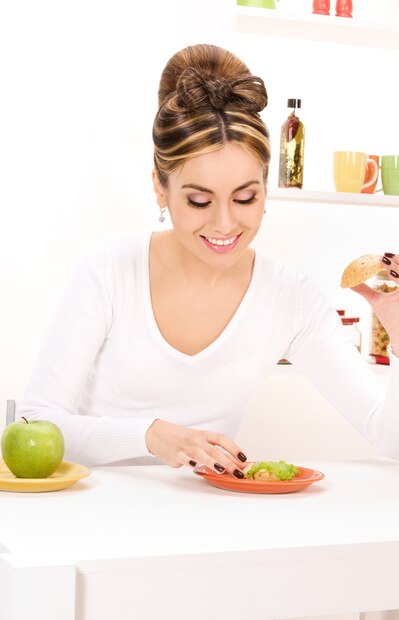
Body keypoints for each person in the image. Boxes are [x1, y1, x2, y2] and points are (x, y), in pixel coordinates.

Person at [18, 44, 399, 477]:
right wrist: (152, 435)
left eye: (245, 197)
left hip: (210, 525)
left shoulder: (288, 296)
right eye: (199, 200)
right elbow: (36, 423)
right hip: (90, 521)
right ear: (160, 189)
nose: (224, 224)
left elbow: (388, 439)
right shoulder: (110, 269)